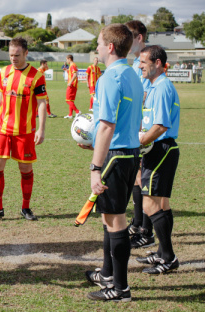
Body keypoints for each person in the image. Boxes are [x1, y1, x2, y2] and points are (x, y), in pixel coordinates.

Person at [80, 24, 142, 302]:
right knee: (110, 218)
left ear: (110, 47)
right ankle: (108, 273)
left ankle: (120, 289)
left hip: (115, 156)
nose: (96, 48)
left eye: (98, 43)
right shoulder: (132, 74)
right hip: (130, 153)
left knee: (115, 220)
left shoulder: (109, 78)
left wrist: (95, 167)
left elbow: (106, 125)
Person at [0, 37, 47, 222]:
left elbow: (42, 104)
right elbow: (1, 96)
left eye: (17, 55)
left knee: (25, 168)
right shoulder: (4, 72)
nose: (13, 58)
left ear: (26, 53)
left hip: (25, 131)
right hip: (2, 127)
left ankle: (26, 207)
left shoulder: (36, 75)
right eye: (10, 55)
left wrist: (41, 129)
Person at [136, 45, 180, 275]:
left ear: (158, 63)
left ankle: (169, 258)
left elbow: (161, 125)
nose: (140, 65)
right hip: (159, 149)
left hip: (161, 150)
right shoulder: (154, 86)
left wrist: (140, 143)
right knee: (162, 204)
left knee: (149, 204)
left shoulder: (162, 87)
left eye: (144, 62)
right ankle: (163, 253)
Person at [125, 20, 155, 249]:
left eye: (130, 35)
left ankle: (146, 229)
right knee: (137, 175)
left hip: (146, 130)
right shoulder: (135, 63)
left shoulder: (147, 62)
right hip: (136, 127)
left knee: (143, 178)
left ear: (140, 37)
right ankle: (137, 222)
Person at [64, 54, 81, 119]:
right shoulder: (72, 65)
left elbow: (75, 74)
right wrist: (67, 71)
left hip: (72, 85)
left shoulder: (72, 65)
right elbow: (72, 73)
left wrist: (70, 82)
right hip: (74, 85)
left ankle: (77, 111)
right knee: (71, 100)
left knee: (68, 100)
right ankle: (70, 114)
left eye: (66, 59)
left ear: (69, 59)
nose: (66, 61)